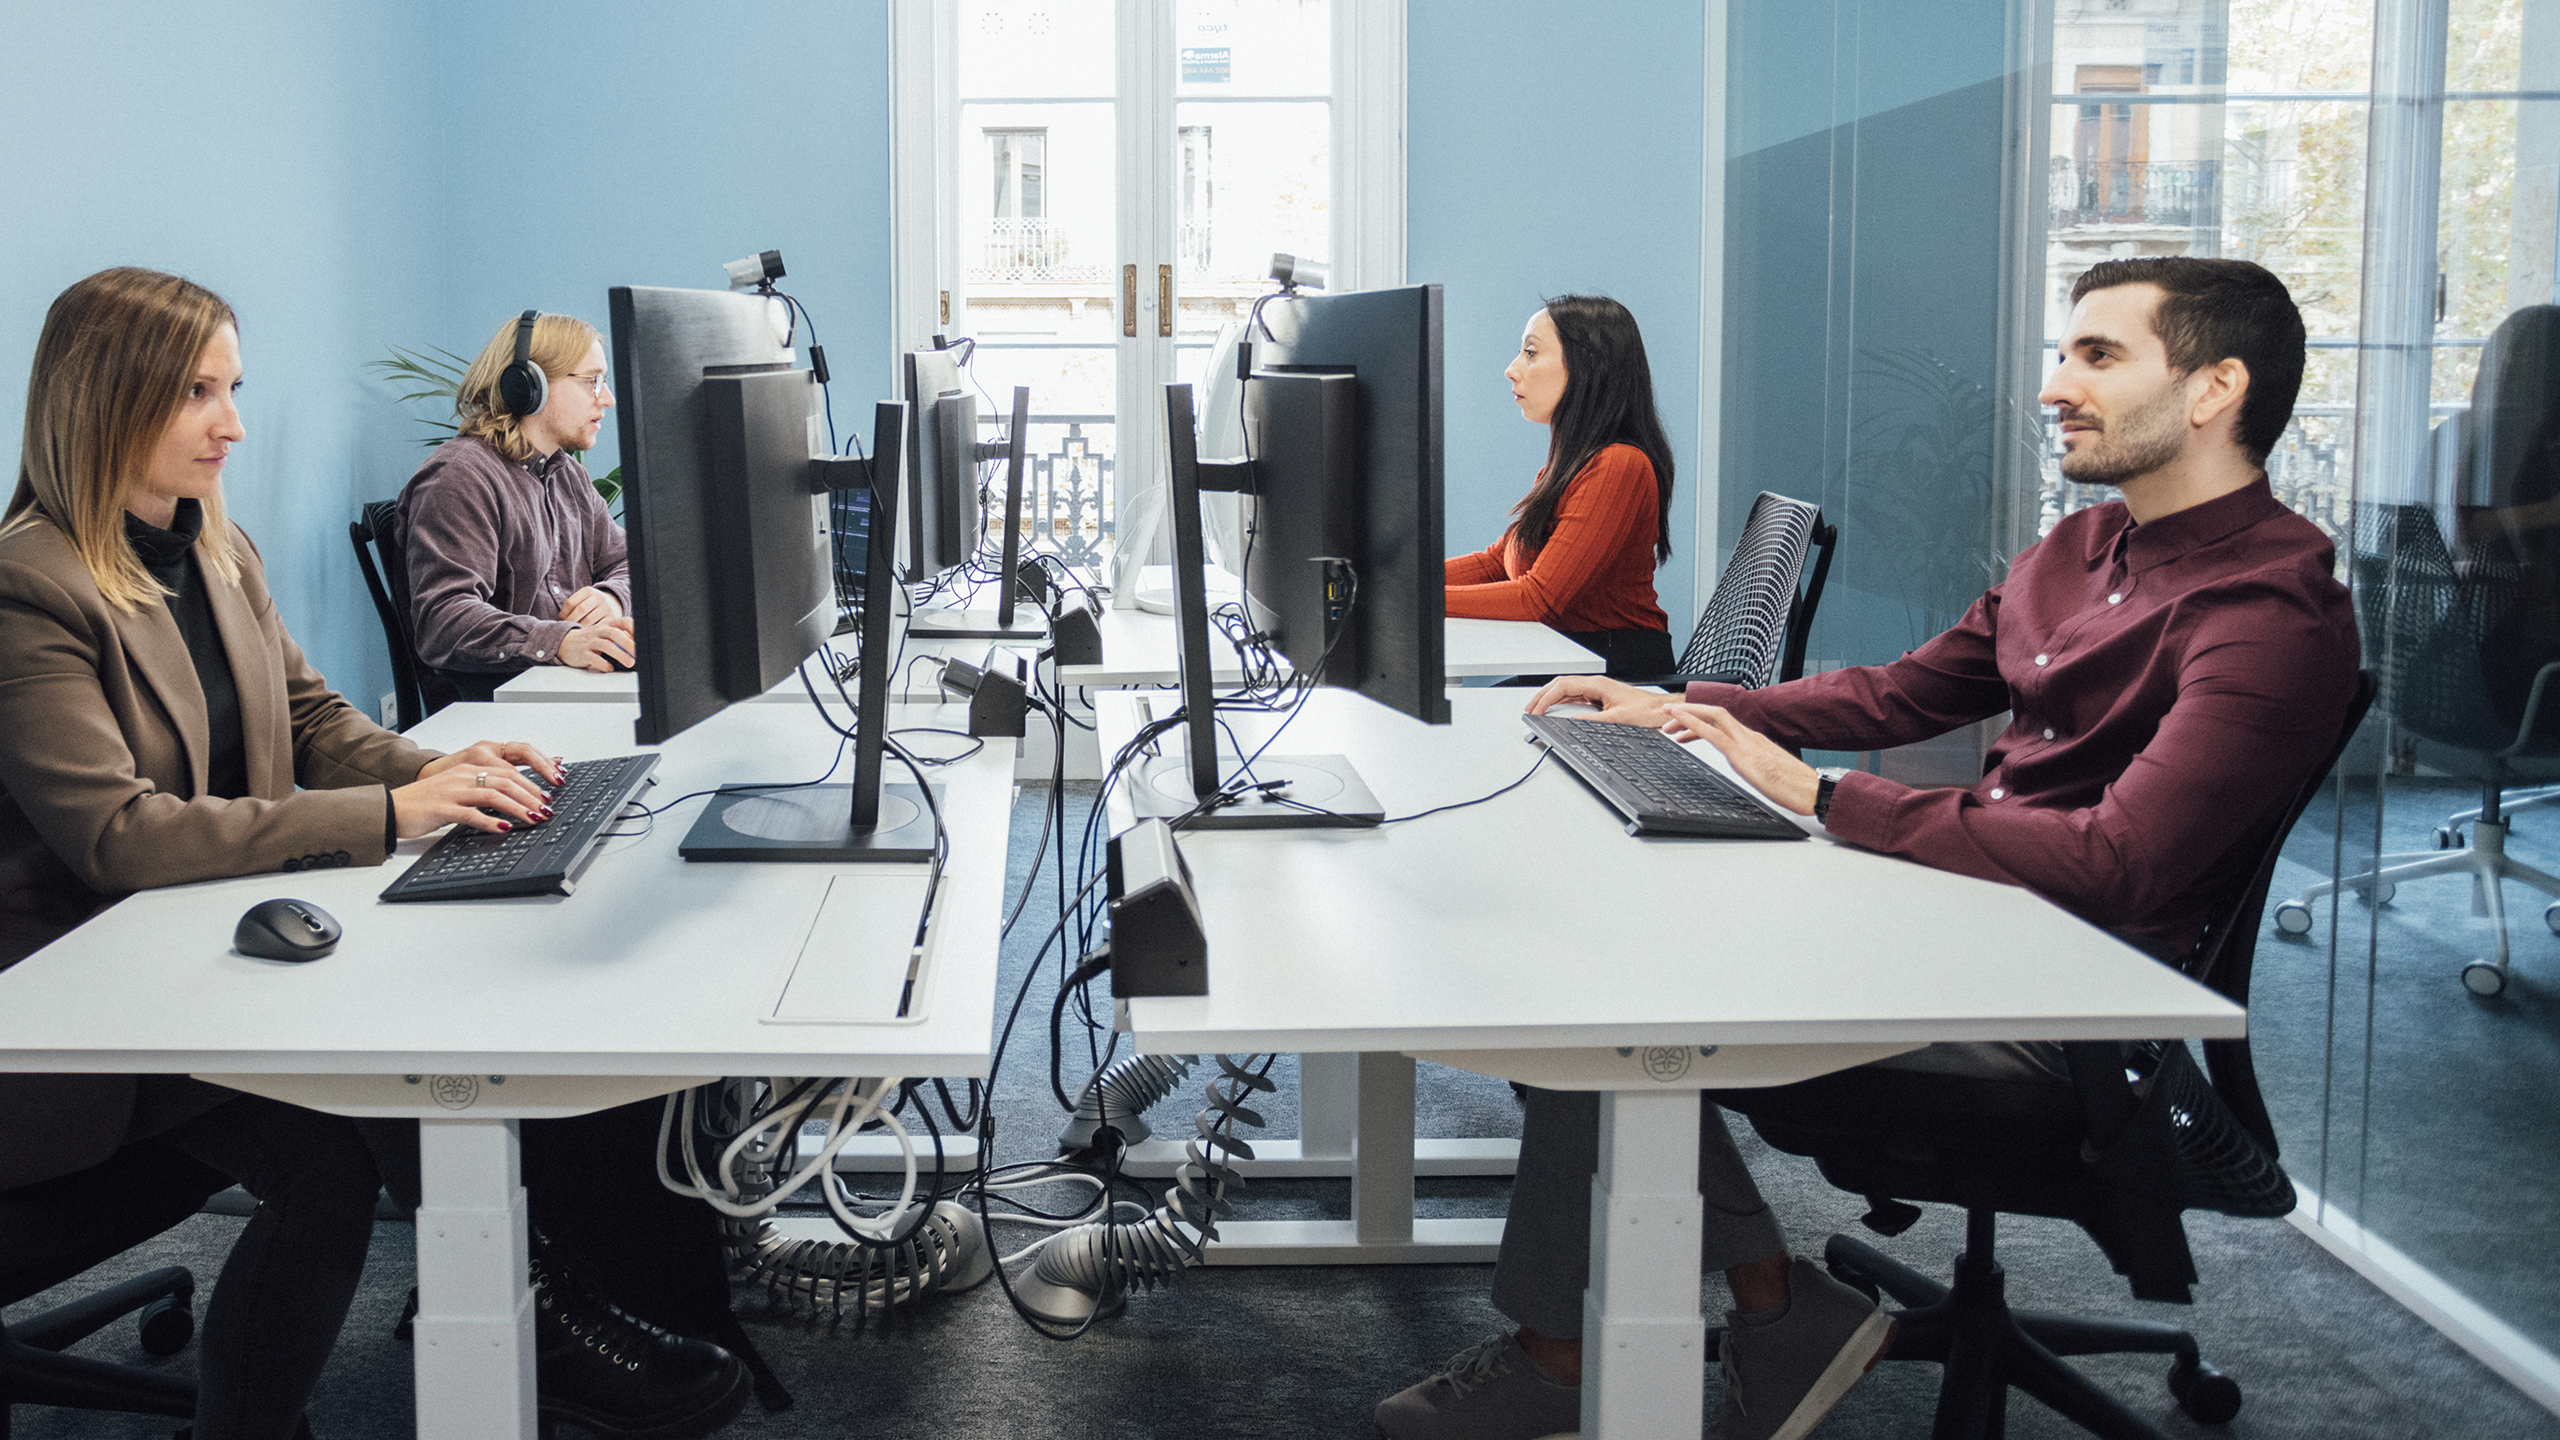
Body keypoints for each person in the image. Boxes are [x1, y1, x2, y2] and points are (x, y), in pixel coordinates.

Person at [1376, 257, 2361, 1440]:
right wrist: (1690, 707)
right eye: (2065, 353)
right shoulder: (2078, 552)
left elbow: (2121, 867)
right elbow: (1901, 693)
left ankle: (1585, 1350)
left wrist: (1831, 801)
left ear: (2214, 390)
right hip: (1962, 914)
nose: (2055, 384)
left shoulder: (2268, 612)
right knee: (1580, 967)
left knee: (1609, 1008)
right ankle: (1768, 1305)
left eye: (2098, 356)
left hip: (2059, 1007)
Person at [0, 269, 741, 1440]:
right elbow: (118, 832)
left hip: (189, 956)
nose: (234, 423)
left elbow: (307, 720)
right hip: (75, 1020)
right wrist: (390, 820)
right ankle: (534, 1324)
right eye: (199, 393)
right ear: (103, 400)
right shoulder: (28, 586)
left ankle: (552, 1302)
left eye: (232, 388)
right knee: (334, 1144)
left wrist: (434, 770)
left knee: (401, 1048)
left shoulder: (213, 541)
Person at [396, 310, 635, 703]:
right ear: (529, 386)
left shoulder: (566, 474)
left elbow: (628, 561)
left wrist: (611, 597)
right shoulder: (459, 477)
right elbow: (444, 620)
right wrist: (562, 641)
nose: (606, 398)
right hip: (501, 711)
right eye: (593, 381)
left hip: (566, 691)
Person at [1445, 294, 1678, 678]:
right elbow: (1494, 564)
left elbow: (1537, 599)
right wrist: (1397, 582)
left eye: (1531, 353)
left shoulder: (1619, 466)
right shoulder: (1567, 467)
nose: (1511, 369)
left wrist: (1411, 599)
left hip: (1618, 677)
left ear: (1588, 366)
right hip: (1571, 663)